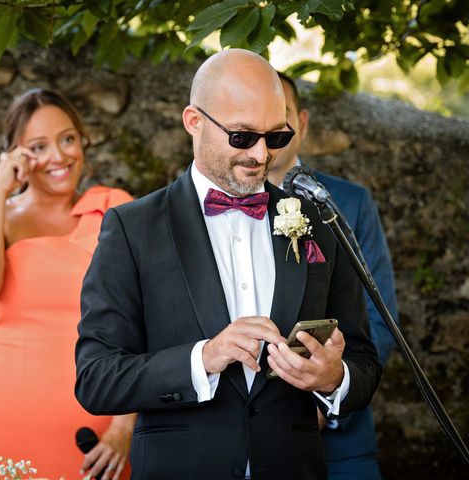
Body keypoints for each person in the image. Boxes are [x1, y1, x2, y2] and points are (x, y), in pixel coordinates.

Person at [75, 49, 381, 479]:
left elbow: (365, 359)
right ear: (193, 122)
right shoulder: (133, 228)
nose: (260, 154)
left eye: (275, 137)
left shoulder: (320, 220)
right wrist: (204, 358)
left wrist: (334, 378)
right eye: (242, 136)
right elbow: (96, 377)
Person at [0, 88, 135, 480]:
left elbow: (146, 319)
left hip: (96, 422)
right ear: (15, 155)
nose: (59, 156)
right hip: (4, 414)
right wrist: (0, 190)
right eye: (39, 146)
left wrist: (124, 427)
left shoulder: (114, 207)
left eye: (67, 139)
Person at [268, 72, 400, 480]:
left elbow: (380, 319)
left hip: (341, 449)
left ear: (302, 123)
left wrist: (325, 392)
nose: (268, 131)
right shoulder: (213, 209)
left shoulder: (350, 203)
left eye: (281, 116)